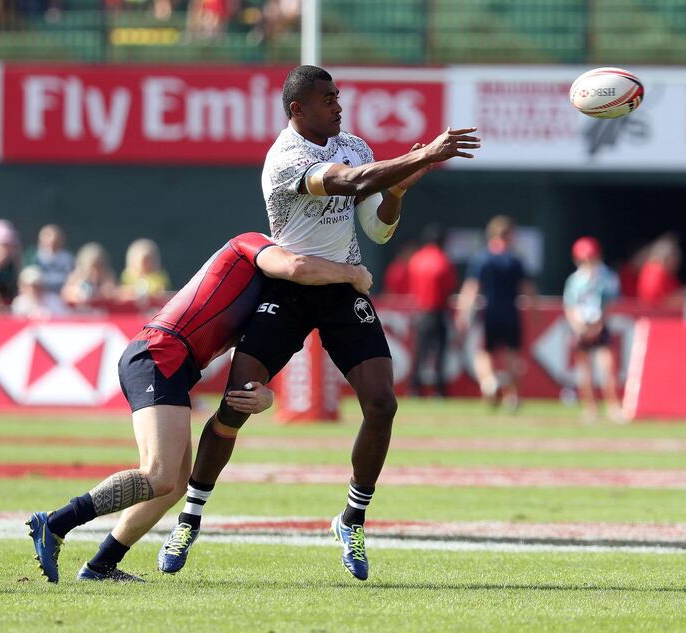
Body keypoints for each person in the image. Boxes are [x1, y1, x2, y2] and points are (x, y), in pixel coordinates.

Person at [157, 65, 479, 581]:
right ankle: (189, 518)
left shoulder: (355, 143)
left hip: (340, 289)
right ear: (297, 110)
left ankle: (351, 518)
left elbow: (377, 225)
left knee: (382, 402)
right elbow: (346, 182)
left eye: (337, 96)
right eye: (326, 99)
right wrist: (421, 154)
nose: (338, 105)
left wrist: (399, 187)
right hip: (286, 289)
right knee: (237, 404)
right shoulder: (284, 158)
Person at [27, 232, 374, 583]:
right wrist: (352, 273)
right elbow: (297, 265)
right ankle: (56, 523)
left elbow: (258, 354)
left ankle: (101, 565)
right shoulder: (251, 244)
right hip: (159, 352)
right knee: (158, 473)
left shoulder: (272, 292)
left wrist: (265, 395)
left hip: (175, 363)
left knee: (174, 485)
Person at [455, 215, 533, 411]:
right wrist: (535, 311)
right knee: (513, 355)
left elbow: (472, 288)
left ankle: (489, 382)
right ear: (507, 234)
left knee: (484, 353)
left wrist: (463, 313)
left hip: (489, 313)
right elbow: (527, 289)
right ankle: (512, 397)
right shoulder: (515, 260)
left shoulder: (482, 258)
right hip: (511, 313)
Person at [563, 237, 624, 424]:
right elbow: (569, 306)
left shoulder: (607, 277)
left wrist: (599, 324)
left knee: (607, 367)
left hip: (600, 325)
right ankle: (590, 407)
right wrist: (578, 326)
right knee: (585, 370)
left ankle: (613, 406)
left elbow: (612, 303)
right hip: (582, 327)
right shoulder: (575, 280)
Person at [406, 225, 457, 397]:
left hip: (420, 311)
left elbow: (411, 286)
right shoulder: (443, 260)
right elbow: (448, 287)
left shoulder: (416, 259)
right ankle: (439, 390)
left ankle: (414, 388)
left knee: (419, 351)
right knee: (439, 352)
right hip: (437, 310)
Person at [60, 242, 118, 307]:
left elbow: (113, 292)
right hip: (80, 312)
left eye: (100, 265)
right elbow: (65, 293)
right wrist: (79, 292)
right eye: (93, 266)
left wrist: (100, 293)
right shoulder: (78, 274)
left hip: (102, 311)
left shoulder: (108, 274)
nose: (96, 270)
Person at [30, 224, 75, 295]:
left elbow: (73, 278)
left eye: (55, 243)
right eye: (48, 243)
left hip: (62, 297)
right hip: (40, 296)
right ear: (40, 241)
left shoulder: (67, 258)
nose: (51, 247)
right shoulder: (33, 257)